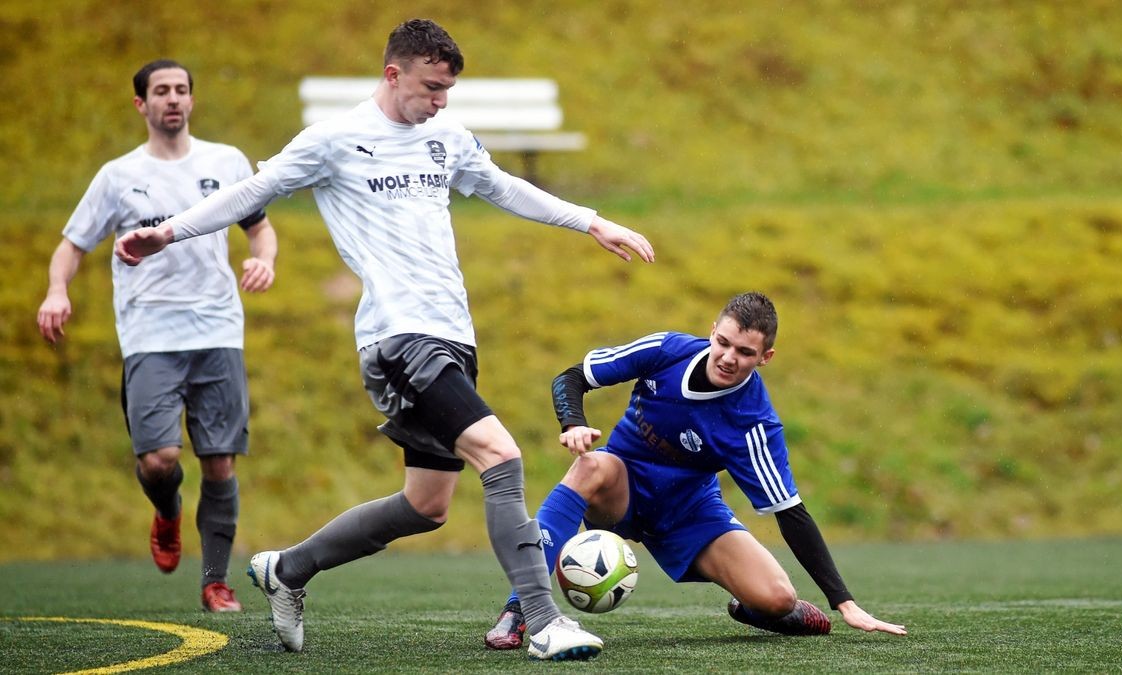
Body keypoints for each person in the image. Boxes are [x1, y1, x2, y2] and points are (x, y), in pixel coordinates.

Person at [113, 19, 653, 661]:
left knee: (426, 506)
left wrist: (590, 220)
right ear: (393, 74)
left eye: (448, 89)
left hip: (453, 333)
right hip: (397, 337)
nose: (441, 101)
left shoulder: (446, 137)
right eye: (431, 87)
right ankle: (542, 623)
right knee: (501, 457)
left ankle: (288, 570)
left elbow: (503, 187)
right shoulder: (335, 140)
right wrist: (168, 232)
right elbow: (253, 191)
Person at [484, 292, 906, 650]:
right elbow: (572, 377)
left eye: (745, 353)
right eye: (723, 342)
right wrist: (573, 423)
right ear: (713, 331)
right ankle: (520, 608)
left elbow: (790, 512)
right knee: (590, 466)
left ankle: (750, 604)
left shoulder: (754, 423)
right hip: (622, 488)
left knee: (777, 599)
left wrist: (844, 602)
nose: (728, 357)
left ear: (766, 357)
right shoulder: (667, 351)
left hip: (688, 513)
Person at [37, 60, 278, 612]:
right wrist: (56, 290)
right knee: (158, 460)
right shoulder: (117, 176)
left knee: (219, 461)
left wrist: (262, 260)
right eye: (161, 91)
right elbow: (72, 245)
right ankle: (167, 511)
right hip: (149, 334)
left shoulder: (226, 162)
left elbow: (260, 228)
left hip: (218, 329)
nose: (173, 99)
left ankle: (215, 582)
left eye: (182, 90)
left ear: (192, 100)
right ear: (141, 105)